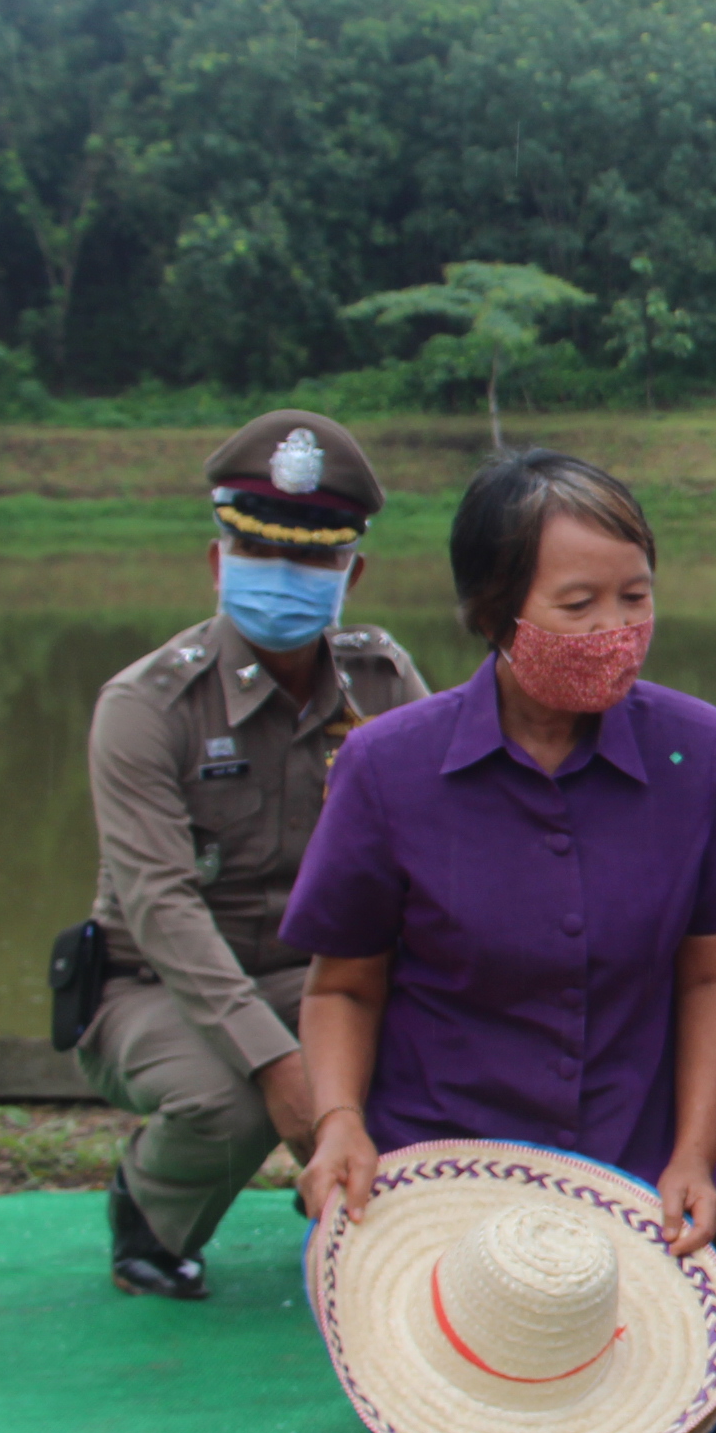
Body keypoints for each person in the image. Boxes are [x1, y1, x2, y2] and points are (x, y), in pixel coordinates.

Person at [284, 448, 716, 1433]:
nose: (615, 631)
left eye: (634, 597)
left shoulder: (699, 753)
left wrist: (697, 1154)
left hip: (631, 1174)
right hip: (443, 1175)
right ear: (491, 611)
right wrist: (339, 1119)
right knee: (465, 1370)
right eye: (578, 605)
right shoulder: (390, 768)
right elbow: (342, 987)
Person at [75, 411, 427, 1300]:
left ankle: (409, 1237)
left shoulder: (382, 682)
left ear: (352, 571)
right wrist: (281, 1067)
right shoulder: (148, 705)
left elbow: (446, 844)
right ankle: (149, 1213)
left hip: (328, 977)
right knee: (226, 1100)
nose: (287, 578)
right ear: (216, 562)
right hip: (160, 985)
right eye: (262, 554)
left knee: (439, 1073)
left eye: (314, 560)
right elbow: (161, 908)